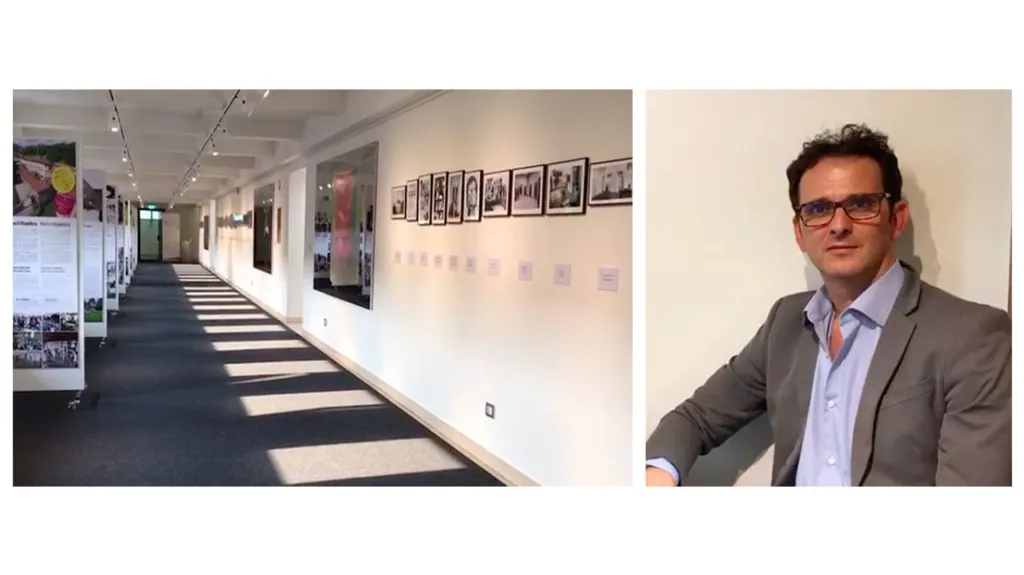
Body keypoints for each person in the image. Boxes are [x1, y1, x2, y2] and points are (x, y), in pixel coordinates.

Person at [646, 123, 1011, 487]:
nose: (838, 225)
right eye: (819, 209)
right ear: (799, 232)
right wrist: (658, 475)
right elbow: (695, 418)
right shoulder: (786, 323)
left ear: (896, 219)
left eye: (861, 204)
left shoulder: (973, 337)